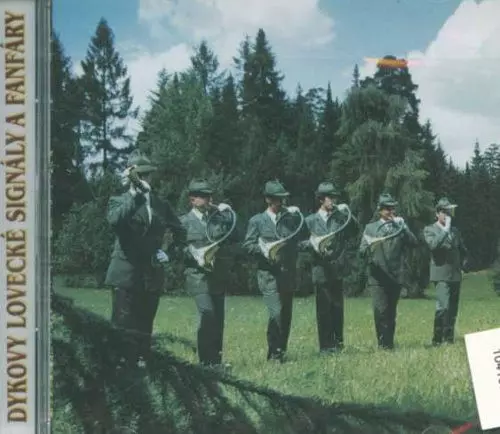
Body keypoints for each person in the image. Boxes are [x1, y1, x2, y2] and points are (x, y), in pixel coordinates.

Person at [105, 151, 186, 367]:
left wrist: (169, 252)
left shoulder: (160, 204)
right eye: (139, 175)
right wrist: (135, 196)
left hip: (151, 273)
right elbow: (115, 221)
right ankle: (121, 365)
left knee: (145, 323)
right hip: (125, 273)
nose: (144, 179)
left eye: (147, 175)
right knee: (122, 323)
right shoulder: (119, 200)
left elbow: (181, 232)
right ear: (131, 177)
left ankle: (142, 364)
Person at [242, 180, 302, 363]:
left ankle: (281, 351)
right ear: (268, 199)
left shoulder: (290, 219)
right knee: (275, 312)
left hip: (287, 273)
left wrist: (298, 216)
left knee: (286, 314)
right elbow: (247, 245)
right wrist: (263, 249)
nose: (281, 202)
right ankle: (274, 353)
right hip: (268, 275)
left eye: (283, 199)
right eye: (277, 199)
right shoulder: (257, 221)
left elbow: (299, 241)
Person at [180, 179, 235, 370]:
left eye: (209, 196)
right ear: (192, 200)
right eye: (203, 196)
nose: (209, 199)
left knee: (218, 318)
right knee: (207, 313)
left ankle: (216, 362)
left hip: (217, 275)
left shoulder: (217, 219)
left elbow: (235, 237)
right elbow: (175, 249)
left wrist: (228, 215)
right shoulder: (184, 222)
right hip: (198, 276)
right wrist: (195, 254)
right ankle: (205, 362)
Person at [300, 182, 358, 354]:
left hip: (337, 269)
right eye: (330, 197)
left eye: (334, 197)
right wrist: (313, 244)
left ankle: (338, 344)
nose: (333, 200)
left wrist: (348, 213)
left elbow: (355, 230)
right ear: (321, 199)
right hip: (320, 269)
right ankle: (325, 346)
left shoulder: (340, 218)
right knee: (323, 309)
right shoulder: (310, 220)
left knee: (337, 308)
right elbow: (299, 243)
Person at [359, 193, 418, 350]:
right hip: (377, 275)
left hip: (395, 274)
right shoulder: (370, 228)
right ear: (380, 210)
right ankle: (382, 344)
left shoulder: (399, 227)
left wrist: (404, 227)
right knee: (380, 311)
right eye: (387, 209)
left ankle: (389, 344)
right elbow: (362, 251)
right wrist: (370, 246)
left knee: (391, 312)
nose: (390, 211)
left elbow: (414, 242)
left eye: (392, 208)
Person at [423, 197, 470, 346]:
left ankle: (449, 339)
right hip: (441, 273)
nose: (448, 215)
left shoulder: (455, 231)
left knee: (453, 308)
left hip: (455, 274)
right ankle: (437, 339)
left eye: (449, 212)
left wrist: (463, 266)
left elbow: (463, 250)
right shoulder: (430, 230)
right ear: (437, 213)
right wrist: (444, 230)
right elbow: (433, 245)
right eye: (444, 212)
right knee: (443, 307)